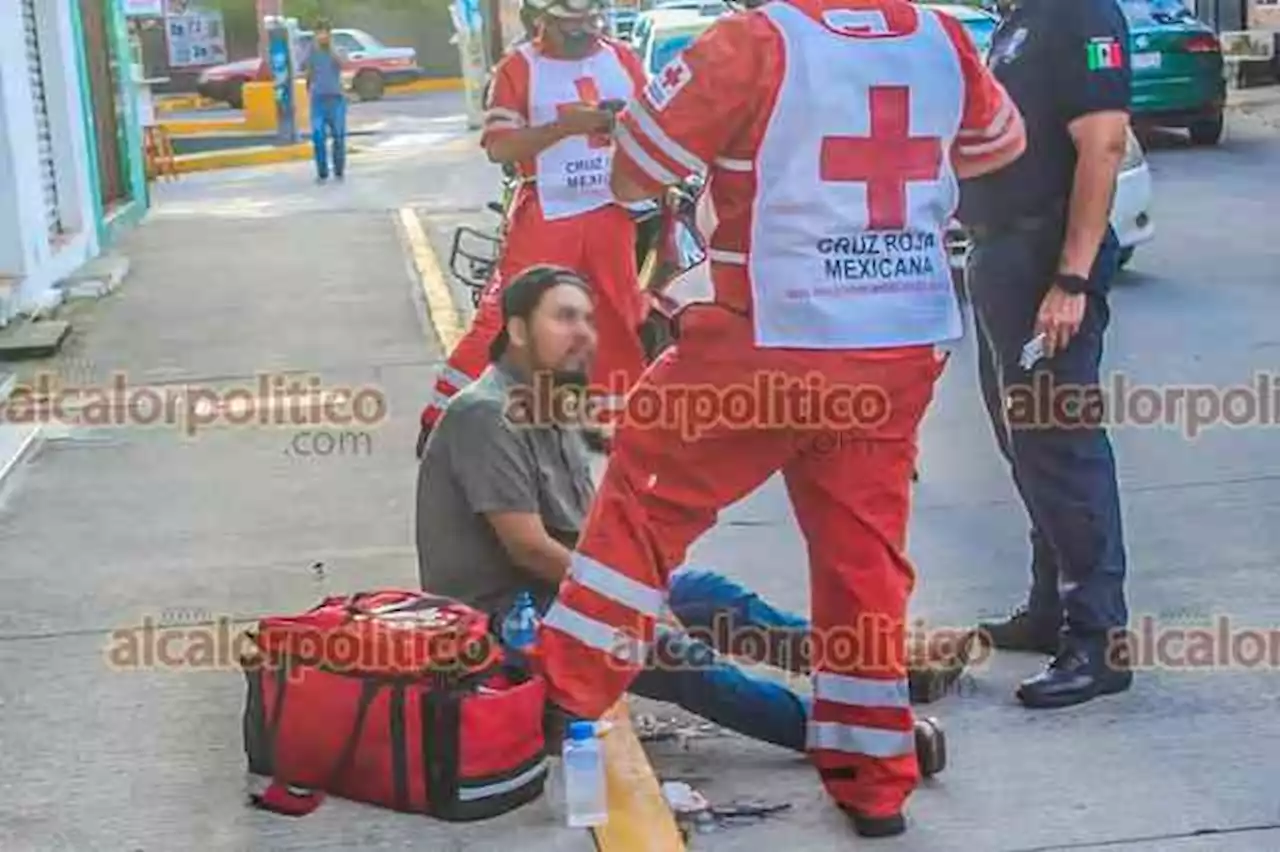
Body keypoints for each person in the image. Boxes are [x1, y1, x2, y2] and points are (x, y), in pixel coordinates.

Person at [530, 0, 1026, 837]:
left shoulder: (752, 42)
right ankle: (875, 780)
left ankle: (556, 704)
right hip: (897, 345)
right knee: (863, 561)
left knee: (640, 518)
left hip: (767, 339)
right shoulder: (942, 38)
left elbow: (631, 173)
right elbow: (999, 147)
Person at [416, 265, 813, 753]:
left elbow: (589, 531)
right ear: (517, 330)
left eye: (586, 319)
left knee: (715, 598)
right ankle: (831, 734)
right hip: (509, 617)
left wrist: (644, 590)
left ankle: (867, 671)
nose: (582, 333)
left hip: (567, 594)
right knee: (677, 657)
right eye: (563, 318)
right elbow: (530, 549)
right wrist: (635, 601)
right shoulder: (485, 412)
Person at [957, 0, 1134, 709]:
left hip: (1044, 258)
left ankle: (1100, 642)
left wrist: (1072, 278)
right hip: (1002, 253)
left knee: (1062, 448)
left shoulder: (1083, 14)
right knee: (1024, 443)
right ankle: (1049, 606)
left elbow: (1105, 143)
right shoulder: (1022, 17)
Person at [416, 0, 653, 456]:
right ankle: (444, 417)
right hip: (546, 212)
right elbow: (500, 148)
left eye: (589, 20)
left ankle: (617, 427)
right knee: (508, 320)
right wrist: (562, 129)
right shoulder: (518, 68)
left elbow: (654, 125)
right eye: (570, 23)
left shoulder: (622, 60)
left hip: (610, 213)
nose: (583, 30)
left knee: (618, 319)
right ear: (541, 19)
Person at [304, 19, 347, 183]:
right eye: (319, 32)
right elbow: (307, 70)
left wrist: (332, 49)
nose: (322, 35)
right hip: (318, 100)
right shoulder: (311, 51)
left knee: (338, 136)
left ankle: (339, 170)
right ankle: (322, 172)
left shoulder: (337, 50)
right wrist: (309, 89)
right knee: (318, 136)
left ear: (330, 33)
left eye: (325, 32)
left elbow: (343, 63)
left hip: (336, 99)